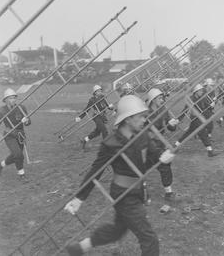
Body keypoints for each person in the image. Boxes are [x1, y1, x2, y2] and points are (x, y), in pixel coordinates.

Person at [64, 95, 175, 256]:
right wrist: (79, 198)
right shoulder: (111, 143)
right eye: (141, 117)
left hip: (139, 190)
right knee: (149, 238)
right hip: (123, 195)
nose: (145, 120)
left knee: (117, 231)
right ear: (128, 119)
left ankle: (79, 248)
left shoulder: (142, 135)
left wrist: (163, 156)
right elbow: (96, 171)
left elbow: (154, 153)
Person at [146, 88, 179, 201]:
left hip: (158, 142)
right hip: (147, 143)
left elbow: (170, 128)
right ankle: (143, 193)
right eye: (159, 98)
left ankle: (168, 193)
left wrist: (172, 124)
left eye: (162, 97)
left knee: (164, 164)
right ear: (153, 100)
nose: (162, 100)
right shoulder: (146, 113)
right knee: (140, 169)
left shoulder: (163, 109)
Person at [175, 84, 218, 157]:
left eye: (202, 91)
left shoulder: (202, 98)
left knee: (188, 133)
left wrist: (213, 104)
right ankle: (210, 151)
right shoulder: (191, 99)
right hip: (195, 119)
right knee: (203, 133)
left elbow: (208, 107)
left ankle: (175, 146)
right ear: (196, 91)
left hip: (200, 118)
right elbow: (185, 110)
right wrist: (178, 119)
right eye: (200, 91)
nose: (202, 92)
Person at [0, 88, 31, 178]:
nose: (13, 100)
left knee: (16, 156)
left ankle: (0, 165)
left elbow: (29, 123)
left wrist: (26, 121)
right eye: (10, 98)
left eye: (14, 98)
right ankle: (21, 174)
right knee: (18, 155)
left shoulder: (21, 107)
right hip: (9, 135)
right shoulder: (2, 110)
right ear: (5, 100)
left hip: (20, 135)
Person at [76, 85, 114, 150]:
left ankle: (84, 140)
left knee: (97, 132)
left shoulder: (103, 97)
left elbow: (107, 106)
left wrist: (111, 107)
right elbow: (87, 109)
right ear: (95, 92)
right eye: (98, 91)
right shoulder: (92, 100)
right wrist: (80, 117)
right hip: (96, 117)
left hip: (103, 117)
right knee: (104, 130)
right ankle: (106, 146)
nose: (100, 92)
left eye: (100, 90)